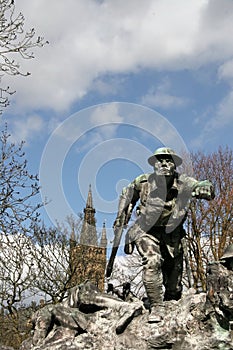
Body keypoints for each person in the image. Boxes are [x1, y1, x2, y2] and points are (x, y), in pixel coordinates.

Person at [114, 147, 215, 323]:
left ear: (175, 165)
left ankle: (171, 306)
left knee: (174, 284)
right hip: (146, 231)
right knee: (152, 261)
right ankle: (156, 307)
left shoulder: (184, 182)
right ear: (154, 165)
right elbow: (127, 193)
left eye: (169, 161)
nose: (164, 164)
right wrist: (121, 215)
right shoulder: (143, 182)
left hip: (172, 236)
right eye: (160, 160)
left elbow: (203, 185)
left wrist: (206, 189)